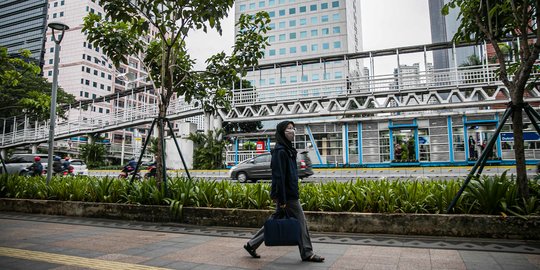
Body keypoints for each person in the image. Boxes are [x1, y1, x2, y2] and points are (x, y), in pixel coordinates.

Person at [243, 121, 325, 263]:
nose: (292, 131)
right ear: (282, 132)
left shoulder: (287, 150)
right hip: (287, 196)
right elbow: (279, 177)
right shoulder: (280, 152)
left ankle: (251, 244)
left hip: (289, 193)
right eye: (289, 128)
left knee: (275, 221)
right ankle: (307, 252)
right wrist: (281, 199)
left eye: (293, 128)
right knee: (301, 222)